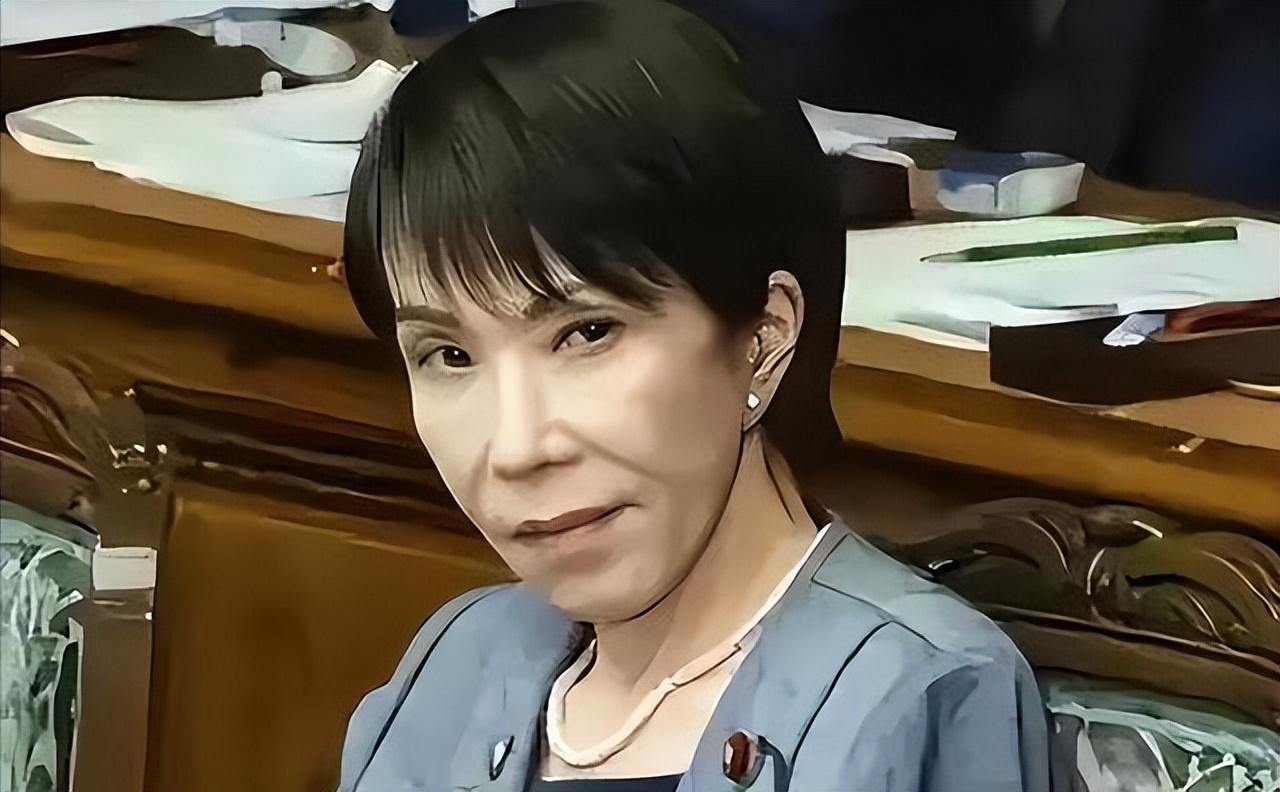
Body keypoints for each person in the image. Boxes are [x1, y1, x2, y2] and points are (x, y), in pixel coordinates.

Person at [337, 2, 1051, 790]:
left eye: (587, 334)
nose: (515, 448)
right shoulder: (458, 669)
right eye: (448, 355)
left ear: (765, 336)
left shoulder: (915, 696)